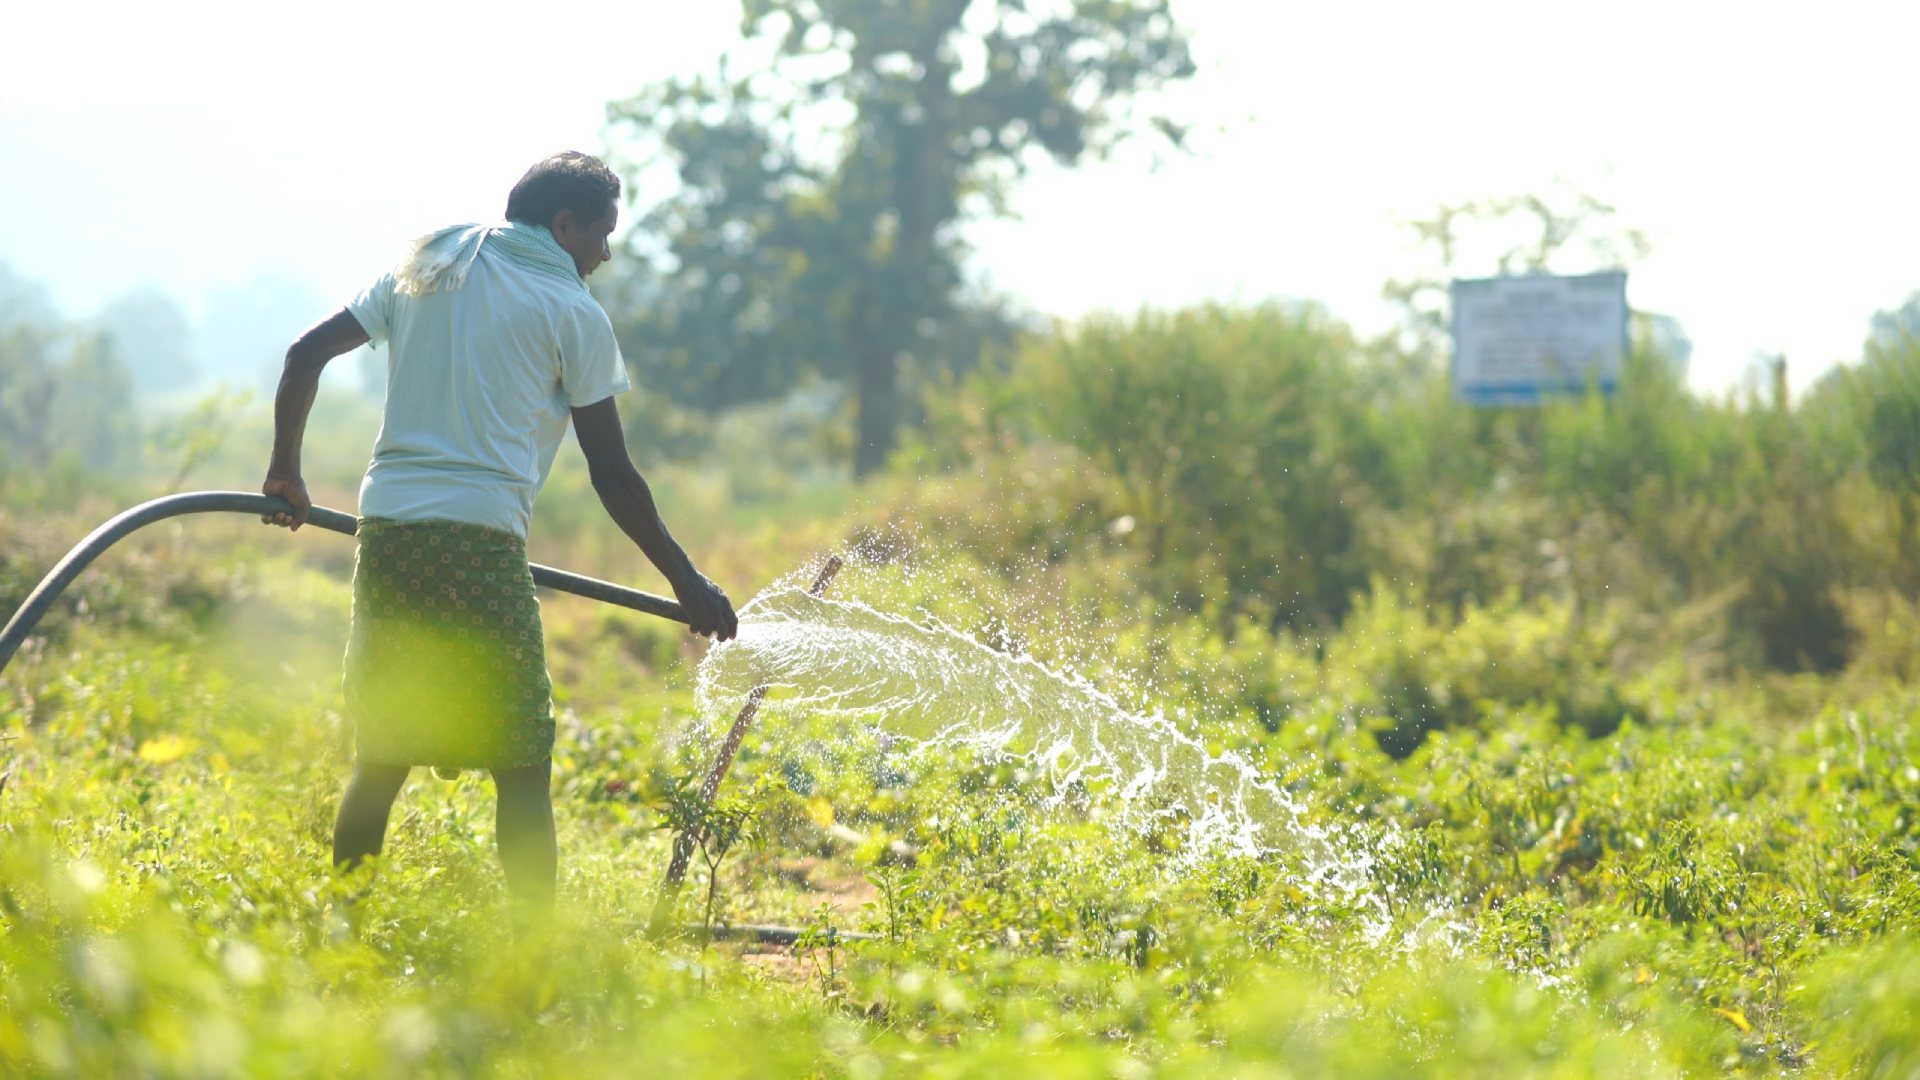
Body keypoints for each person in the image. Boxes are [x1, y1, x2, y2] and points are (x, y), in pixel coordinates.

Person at [261, 150, 737, 914]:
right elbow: (612, 475)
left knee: (383, 753)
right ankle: (533, 966)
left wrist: (285, 470)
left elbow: (303, 355)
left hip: (388, 531)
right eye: (603, 235)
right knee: (520, 761)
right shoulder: (572, 311)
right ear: (565, 225)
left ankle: (345, 940)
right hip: (481, 542)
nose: (607, 254)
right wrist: (689, 584)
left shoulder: (429, 264)